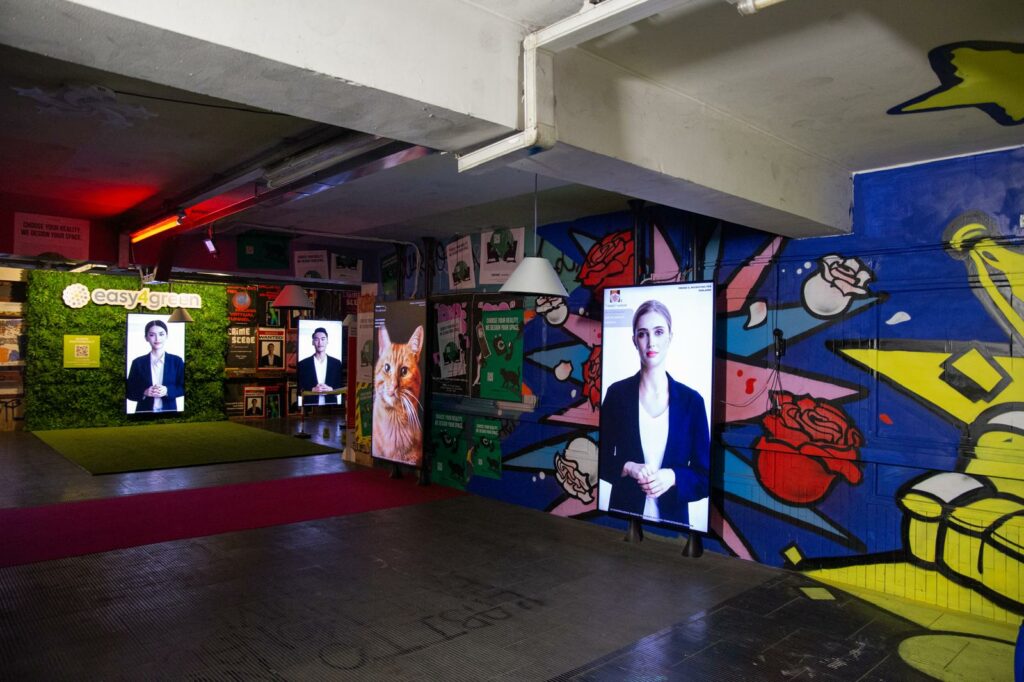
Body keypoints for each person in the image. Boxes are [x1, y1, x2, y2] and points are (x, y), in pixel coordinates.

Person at [598, 300, 709, 526]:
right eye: (643, 334)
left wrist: (673, 476)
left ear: (670, 337)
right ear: (634, 341)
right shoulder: (617, 395)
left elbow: (705, 476)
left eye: (658, 332)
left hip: (673, 526)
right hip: (623, 518)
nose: (651, 342)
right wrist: (628, 467)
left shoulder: (692, 402)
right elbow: (600, 459)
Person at [126, 319, 185, 413]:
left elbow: (184, 387)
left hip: (170, 412)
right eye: (152, 335)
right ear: (146, 338)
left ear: (166, 336)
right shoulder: (137, 363)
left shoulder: (176, 361)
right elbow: (129, 391)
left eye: (161, 334)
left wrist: (167, 391)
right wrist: (144, 392)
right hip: (144, 413)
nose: (157, 339)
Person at [297, 326, 344, 405]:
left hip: (331, 406)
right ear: (312, 342)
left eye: (323, 339)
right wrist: (312, 390)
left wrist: (331, 390)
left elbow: (342, 387)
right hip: (310, 406)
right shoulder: (303, 364)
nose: (320, 343)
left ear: (327, 341)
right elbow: (298, 390)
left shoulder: (336, 363)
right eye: (316, 339)